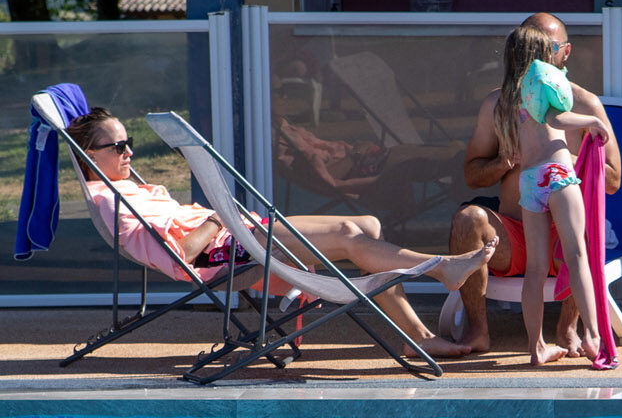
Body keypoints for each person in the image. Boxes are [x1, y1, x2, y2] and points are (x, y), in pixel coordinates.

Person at [66, 108, 494, 360]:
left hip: (236, 237)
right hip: (225, 253)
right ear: (90, 156)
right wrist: (219, 219)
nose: (129, 152)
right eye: (117, 147)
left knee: (368, 227)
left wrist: (224, 220)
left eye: (128, 142)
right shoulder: (112, 202)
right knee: (349, 232)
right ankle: (441, 270)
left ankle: (418, 336)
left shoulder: (129, 188)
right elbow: (184, 253)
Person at [452, 12, 621, 355]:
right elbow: (472, 173)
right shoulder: (498, 104)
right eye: (534, 45)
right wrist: (503, 162)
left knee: (584, 235)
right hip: (515, 233)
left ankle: (568, 329)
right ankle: (479, 332)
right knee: (468, 220)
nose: (540, 55)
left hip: (561, 226)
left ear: (565, 52)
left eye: (550, 46)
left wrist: (565, 162)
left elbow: (613, 179)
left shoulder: (586, 102)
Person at [506, 28, 612, 365]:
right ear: (540, 51)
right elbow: (554, 117)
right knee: (577, 254)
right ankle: (594, 337)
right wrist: (592, 120)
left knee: (535, 270)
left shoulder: (513, 90)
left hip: (529, 181)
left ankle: (536, 347)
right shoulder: (541, 77)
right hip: (556, 172)